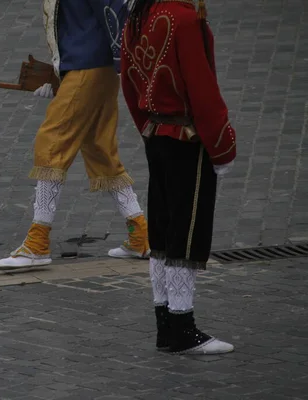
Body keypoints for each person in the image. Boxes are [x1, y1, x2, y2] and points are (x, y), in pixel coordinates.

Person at [0, 0, 150, 271]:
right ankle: (141, 234)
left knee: (51, 141)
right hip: (90, 67)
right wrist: (60, 76)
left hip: (88, 67)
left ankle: (37, 242)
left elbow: (113, 15)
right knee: (100, 150)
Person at [120, 0, 236, 354]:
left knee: (163, 229)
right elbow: (202, 88)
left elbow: (128, 81)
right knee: (186, 232)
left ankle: (165, 326)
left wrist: (148, 128)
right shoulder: (185, 18)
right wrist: (222, 145)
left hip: (156, 134)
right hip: (186, 140)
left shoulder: (139, 15)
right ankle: (183, 326)